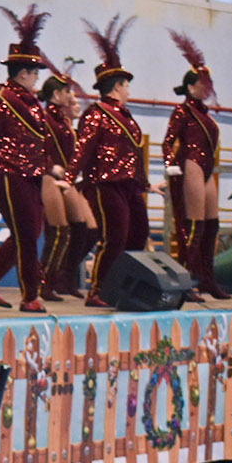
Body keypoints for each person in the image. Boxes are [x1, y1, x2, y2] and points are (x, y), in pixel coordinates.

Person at [0, 5, 59, 312]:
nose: (37, 79)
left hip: (30, 173)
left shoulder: (33, 103)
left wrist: (51, 168)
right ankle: (31, 296)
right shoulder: (2, 101)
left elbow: (40, 142)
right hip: (6, 171)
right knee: (27, 237)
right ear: (23, 73)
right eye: (35, 73)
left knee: (30, 233)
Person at [77, 17, 154, 309]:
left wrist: (146, 183)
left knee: (139, 232)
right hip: (105, 183)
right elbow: (83, 147)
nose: (129, 91)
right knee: (116, 236)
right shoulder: (96, 114)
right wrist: (71, 175)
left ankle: (124, 283)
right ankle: (97, 289)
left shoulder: (125, 115)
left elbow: (135, 152)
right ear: (118, 86)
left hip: (129, 184)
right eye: (127, 86)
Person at [165, 30, 232, 301]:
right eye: (204, 83)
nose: (209, 87)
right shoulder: (182, 111)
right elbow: (168, 141)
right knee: (191, 227)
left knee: (211, 226)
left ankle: (207, 279)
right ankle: (185, 281)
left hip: (206, 167)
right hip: (191, 164)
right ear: (192, 86)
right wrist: (171, 165)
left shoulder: (203, 113)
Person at [36, 68, 100, 301]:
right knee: (60, 231)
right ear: (55, 95)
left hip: (64, 179)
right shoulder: (44, 119)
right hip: (49, 176)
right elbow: (38, 147)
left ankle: (64, 275)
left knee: (89, 229)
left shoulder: (63, 121)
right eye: (66, 92)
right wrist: (51, 167)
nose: (72, 97)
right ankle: (44, 282)